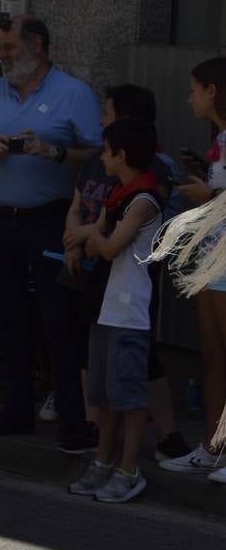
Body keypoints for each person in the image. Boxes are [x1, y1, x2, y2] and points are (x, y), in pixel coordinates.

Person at [0, 15, 103, 452]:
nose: (1, 56)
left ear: (37, 45)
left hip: (49, 221)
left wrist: (53, 152)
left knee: (59, 319)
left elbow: (99, 158)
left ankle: (73, 421)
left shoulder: (73, 93)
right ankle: (17, 409)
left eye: (10, 47)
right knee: (7, 316)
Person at [60, 85, 188, 460]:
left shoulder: (147, 186)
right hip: (101, 284)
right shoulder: (113, 185)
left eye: (108, 114)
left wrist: (89, 238)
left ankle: (145, 452)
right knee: (99, 364)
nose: (101, 121)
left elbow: (110, 243)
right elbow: (90, 219)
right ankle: (99, 441)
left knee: (133, 369)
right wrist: (82, 240)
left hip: (130, 289)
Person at [62, 120, 162, 502]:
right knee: (104, 396)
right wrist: (93, 235)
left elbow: (107, 248)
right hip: (105, 307)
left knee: (129, 398)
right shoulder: (117, 195)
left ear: (121, 154)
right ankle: (103, 462)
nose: (102, 158)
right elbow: (97, 244)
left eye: (106, 151)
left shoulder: (144, 199)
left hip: (130, 311)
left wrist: (90, 233)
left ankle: (129, 470)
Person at [157, 57, 226, 474]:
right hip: (211, 257)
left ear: (212, 92)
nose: (189, 99)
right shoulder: (220, 138)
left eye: (193, 90)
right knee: (213, 356)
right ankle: (212, 447)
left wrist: (208, 195)